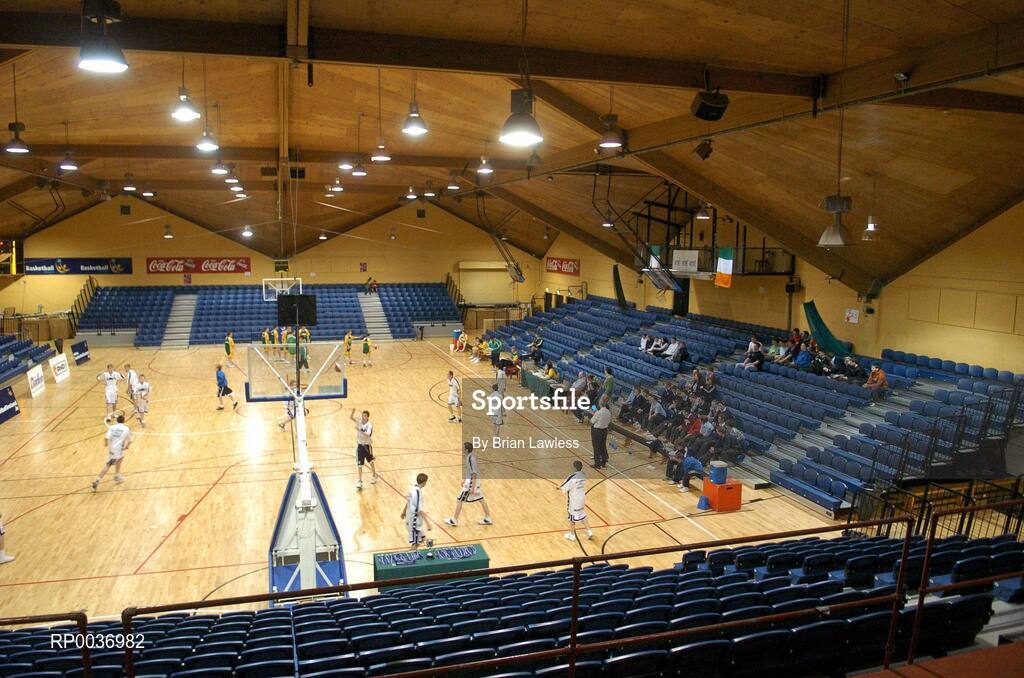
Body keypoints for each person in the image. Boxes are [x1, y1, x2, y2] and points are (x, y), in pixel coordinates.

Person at [444, 442, 493, 526]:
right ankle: (488, 518)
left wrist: (472, 488)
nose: (461, 449)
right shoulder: (469, 457)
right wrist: (464, 479)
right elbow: (470, 471)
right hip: (472, 481)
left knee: (459, 499)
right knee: (481, 499)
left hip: (471, 482)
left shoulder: (471, 459)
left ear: (466, 450)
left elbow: (474, 474)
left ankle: (454, 520)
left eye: (463, 448)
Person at [92, 413, 132, 491]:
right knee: (108, 465)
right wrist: (127, 446)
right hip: (116, 451)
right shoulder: (126, 429)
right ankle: (97, 480)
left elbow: (106, 437)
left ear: (117, 421)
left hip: (113, 449)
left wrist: (106, 444)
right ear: (124, 421)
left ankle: (117, 476)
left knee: (121, 458)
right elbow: (130, 440)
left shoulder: (112, 427)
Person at [558, 460, 593, 541]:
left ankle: (572, 535)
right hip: (582, 498)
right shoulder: (583, 475)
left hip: (574, 500)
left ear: (574, 467)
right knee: (582, 515)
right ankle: (589, 531)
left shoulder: (572, 476)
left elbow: (565, 487)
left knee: (571, 517)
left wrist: (559, 487)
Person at [401, 473, 431, 550]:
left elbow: (408, 501)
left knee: (421, 539)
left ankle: (414, 552)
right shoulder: (418, 493)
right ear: (424, 482)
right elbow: (419, 510)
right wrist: (428, 524)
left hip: (411, 519)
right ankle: (410, 557)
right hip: (414, 522)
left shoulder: (412, 488)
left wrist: (404, 512)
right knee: (415, 543)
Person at [350, 408, 379, 489]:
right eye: (362, 415)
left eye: (365, 415)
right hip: (360, 446)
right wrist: (353, 411)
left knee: (371, 461)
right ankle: (359, 481)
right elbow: (351, 418)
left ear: (368, 417)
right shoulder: (359, 421)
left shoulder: (370, 425)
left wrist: (359, 430)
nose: (363, 416)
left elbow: (367, 434)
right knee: (359, 464)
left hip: (367, 445)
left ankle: (374, 475)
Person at [590, 395, 612, 468]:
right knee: (602, 446)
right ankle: (603, 462)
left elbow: (592, 421)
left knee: (596, 447)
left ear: (600, 404)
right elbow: (608, 421)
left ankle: (597, 464)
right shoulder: (608, 412)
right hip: (604, 430)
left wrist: (594, 414)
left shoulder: (599, 412)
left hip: (597, 431)